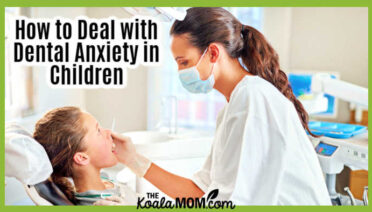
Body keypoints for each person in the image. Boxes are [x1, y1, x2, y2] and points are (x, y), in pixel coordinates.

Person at [110, 7, 332, 205]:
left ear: (213, 53)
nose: (180, 73)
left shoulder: (253, 98)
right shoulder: (232, 107)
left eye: (184, 62)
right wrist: (132, 159)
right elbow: (200, 192)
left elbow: (233, 202)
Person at [33, 106, 137, 205]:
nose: (109, 132)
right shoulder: (104, 204)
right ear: (82, 158)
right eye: (98, 131)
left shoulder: (102, 178)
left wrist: (132, 160)